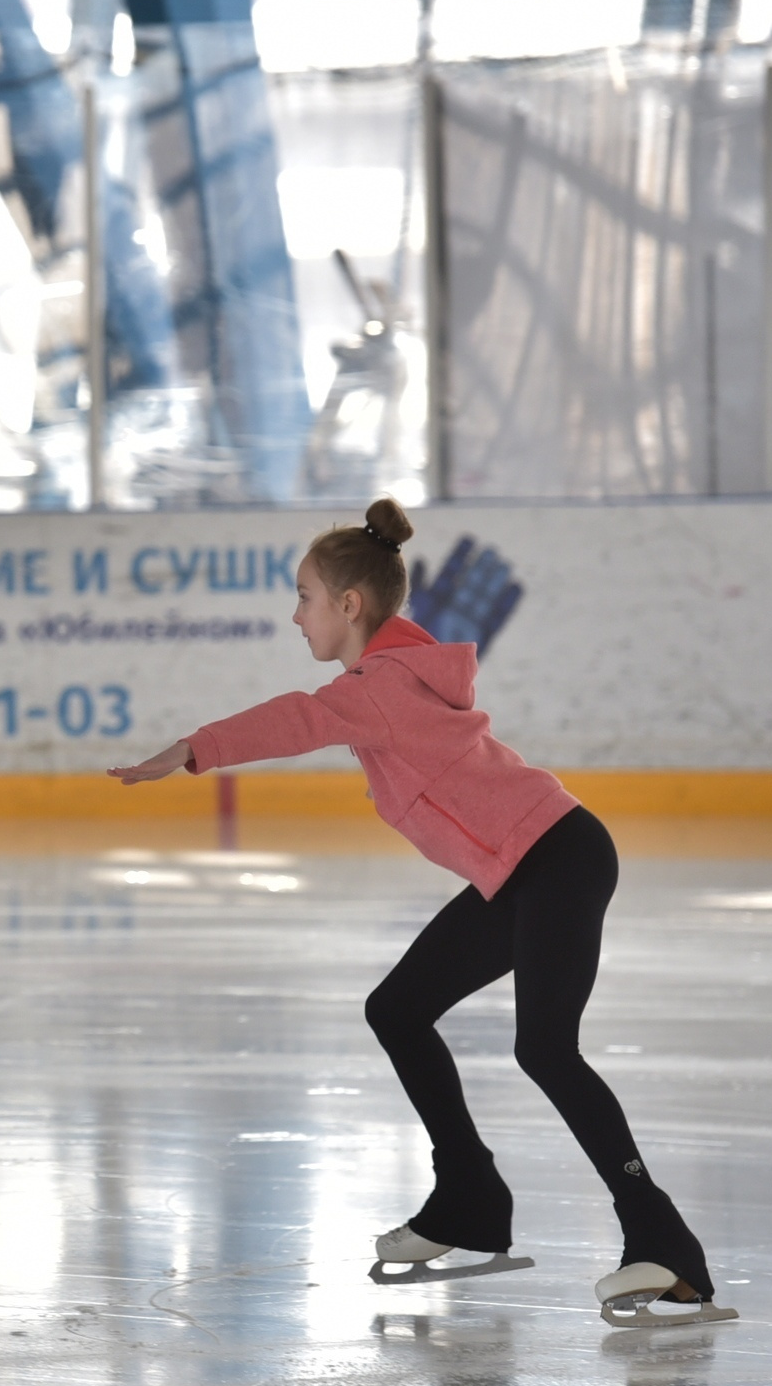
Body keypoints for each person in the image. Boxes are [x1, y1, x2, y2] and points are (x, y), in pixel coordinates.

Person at [108, 497, 734, 1328]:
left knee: (545, 1048)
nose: (295, 615)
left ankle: (664, 1240)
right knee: (398, 1009)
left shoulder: (379, 687)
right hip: (523, 867)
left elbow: (295, 718)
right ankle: (470, 1193)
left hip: (555, 857)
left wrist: (193, 748)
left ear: (349, 604)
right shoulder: (393, 675)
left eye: (304, 597)